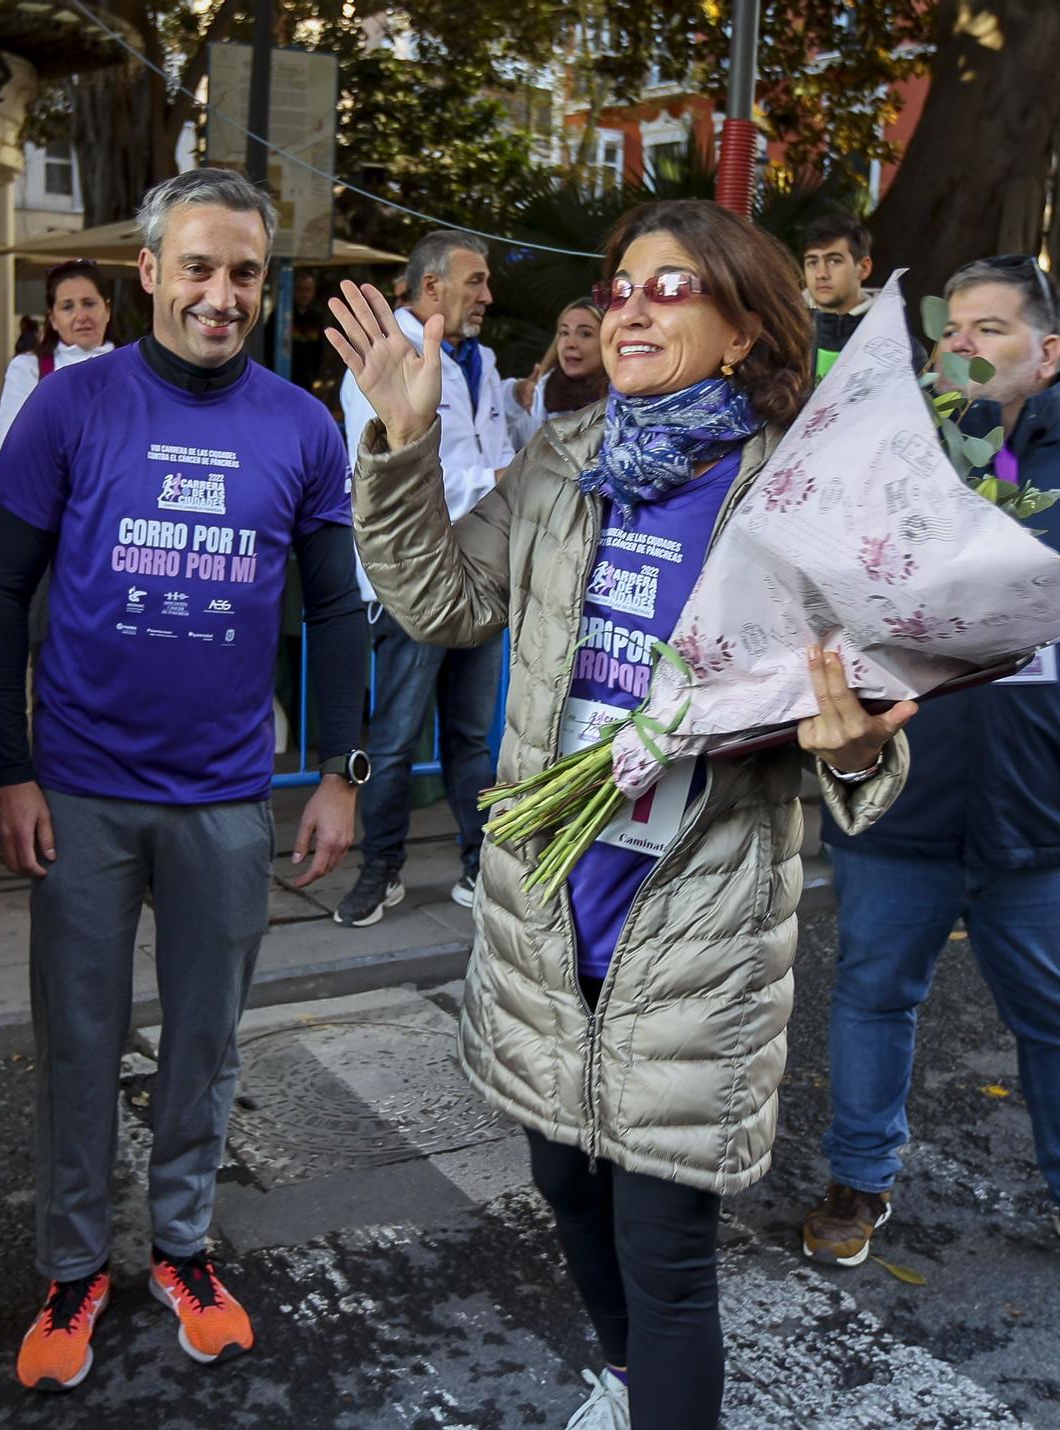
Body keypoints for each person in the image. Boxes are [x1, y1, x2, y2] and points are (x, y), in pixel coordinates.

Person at [328, 199, 912, 1430]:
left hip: (692, 909)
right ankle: (630, 1378)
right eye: (622, 286)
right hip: (548, 888)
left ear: (746, 331)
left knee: (664, 1241)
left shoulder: (794, 498)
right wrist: (400, 442)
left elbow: (859, 737)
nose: (630, 309)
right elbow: (441, 599)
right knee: (561, 1178)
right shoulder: (560, 456)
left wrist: (853, 751)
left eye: (671, 289)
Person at [0, 167, 368, 1392]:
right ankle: (73, 1262)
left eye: (243, 271)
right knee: (79, 1041)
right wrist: (12, 769)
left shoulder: (302, 425)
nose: (220, 293)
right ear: (148, 271)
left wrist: (343, 770)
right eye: (196, 266)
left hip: (223, 798)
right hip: (83, 791)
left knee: (204, 1042)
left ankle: (184, 1247)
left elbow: (338, 611)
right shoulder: (68, 408)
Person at [803, 255, 1060, 1300]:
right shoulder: (888, 471)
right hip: (900, 797)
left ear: (1047, 354)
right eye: (952, 329)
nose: (964, 345)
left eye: (991, 328)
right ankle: (857, 1180)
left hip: (1040, 809)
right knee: (870, 995)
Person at [334, 231, 514, 926]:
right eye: (477, 281)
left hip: (479, 578)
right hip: (411, 581)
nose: (488, 295)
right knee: (395, 739)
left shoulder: (481, 362)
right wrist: (503, 480)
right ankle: (380, 872)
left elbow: (493, 455)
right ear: (432, 287)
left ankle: (479, 866)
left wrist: (504, 478)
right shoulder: (380, 358)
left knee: (471, 737)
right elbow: (389, 465)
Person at [0, 257, 117, 456]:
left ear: (107, 310)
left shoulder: (136, 367)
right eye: (67, 307)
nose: (81, 316)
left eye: (89, 303)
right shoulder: (29, 368)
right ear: (53, 320)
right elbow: (8, 447)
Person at [507, 296, 610, 449]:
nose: (570, 344)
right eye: (564, 332)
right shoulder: (544, 391)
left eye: (585, 334)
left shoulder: (626, 394)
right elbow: (515, 448)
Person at [801, 212, 875, 383]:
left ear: (863, 268)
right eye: (812, 262)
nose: (821, 274)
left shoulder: (898, 346)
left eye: (834, 261)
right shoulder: (786, 339)